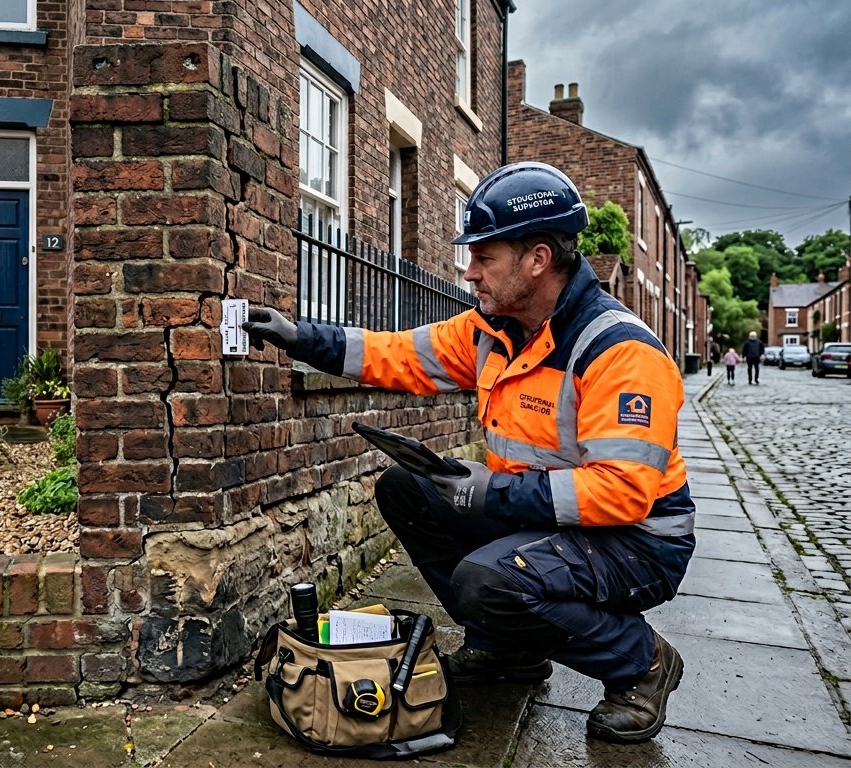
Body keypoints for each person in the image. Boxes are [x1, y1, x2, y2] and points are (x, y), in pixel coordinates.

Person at [244, 162, 692, 744]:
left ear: (537, 259)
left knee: (489, 581)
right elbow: (398, 354)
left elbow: (623, 492)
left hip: (640, 544)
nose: (470, 271)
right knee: (406, 489)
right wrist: (302, 338)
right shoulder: (493, 328)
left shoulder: (620, 353)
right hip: (549, 518)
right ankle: (509, 650)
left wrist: (492, 490)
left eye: (485, 257)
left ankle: (641, 663)